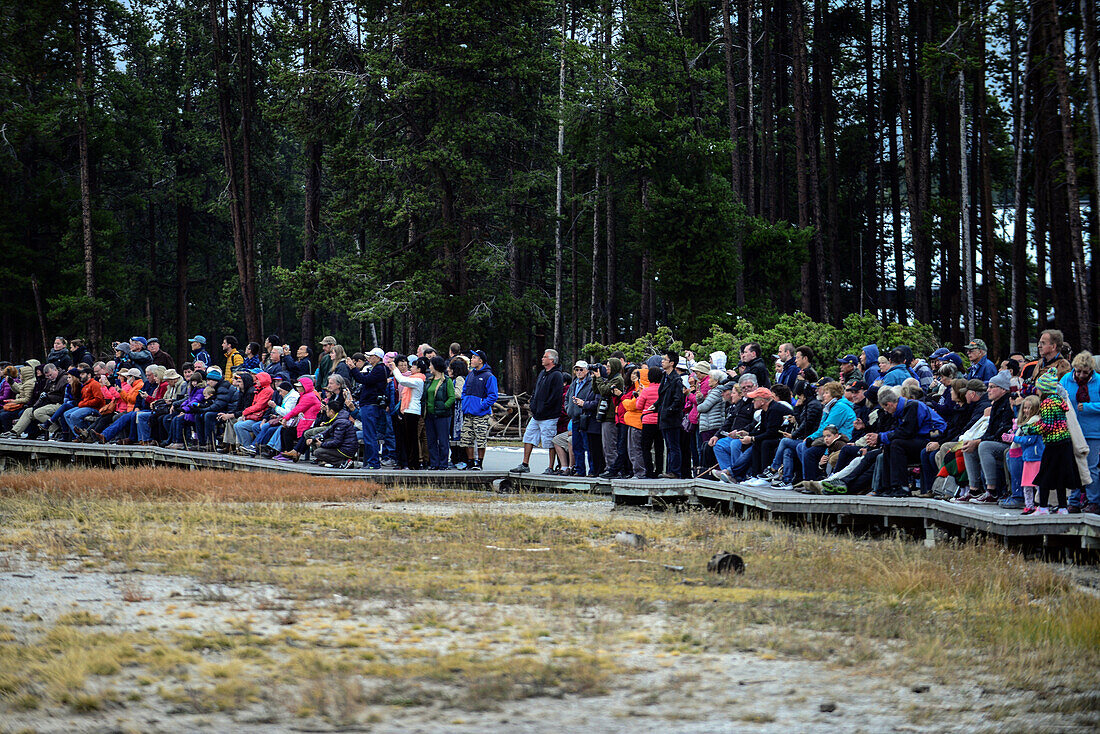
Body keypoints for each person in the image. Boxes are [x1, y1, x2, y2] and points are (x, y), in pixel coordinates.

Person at [868, 385, 945, 497]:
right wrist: (881, 438)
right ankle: (887, 487)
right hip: (918, 439)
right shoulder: (900, 410)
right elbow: (896, 431)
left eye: (885, 409)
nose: (886, 412)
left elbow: (907, 432)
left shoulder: (912, 406)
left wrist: (880, 437)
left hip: (931, 440)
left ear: (889, 404)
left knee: (896, 444)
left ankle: (901, 486)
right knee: (889, 445)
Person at [959, 370, 1015, 503]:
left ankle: (992, 491)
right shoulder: (995, 404)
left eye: (992, 387)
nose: (988, 390)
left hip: (1006, 442)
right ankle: (974, 490)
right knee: (968, 445)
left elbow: (1003, 430)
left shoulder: (1007, 404)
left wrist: (979, 441)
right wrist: (976, 441)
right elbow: (990, 430)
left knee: (984, 446)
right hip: (995, 439)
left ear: (1003, 390)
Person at [1031, 368, 1079, 514]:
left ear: (1044, 389)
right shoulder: (1059, 400)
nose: (1037, 391)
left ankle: (1043, 507)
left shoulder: (1047, 403)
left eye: (1038, 388)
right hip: (1065, 443)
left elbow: (1048, 426)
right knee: (1061, 475)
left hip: (1053, 444)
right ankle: (1063, 507)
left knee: (1045, 474)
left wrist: (1030, 428)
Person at [512, 349, 565, 473]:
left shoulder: (557, 375)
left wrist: (544, 408)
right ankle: (525, 464)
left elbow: (555, 396)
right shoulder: (542, 373)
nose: (542, 358)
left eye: (545, 356)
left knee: (549, 441)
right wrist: (533, 404)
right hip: (537, 415)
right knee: (528, 437)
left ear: (551, 360)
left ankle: (550, 467)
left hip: (549, 416)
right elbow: (536, 390)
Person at [1060, 351, 1100, 513]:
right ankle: (1074, 501)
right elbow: (1058, 399)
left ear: (1091, 370)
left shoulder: (1098, 382)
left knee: (1091, 468)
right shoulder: (1065, 380)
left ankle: (1094, 501)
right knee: (1073, 466)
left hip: (1093, 432)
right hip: (1071, 430)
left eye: (1085, 372)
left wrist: (1089, 407)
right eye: (1078, 371)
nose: (1081, 375)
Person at [347, 348, 388, 469]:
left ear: (378, 357)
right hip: (369, 405)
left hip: (370, 405)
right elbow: (363, 377)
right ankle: (371, 462)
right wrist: (353, 369)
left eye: (371, 356)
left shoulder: (379, 369)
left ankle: (373, 463)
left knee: (369, 435)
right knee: (369, 434)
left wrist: (353, 369)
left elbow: (364, 380)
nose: (369, 358)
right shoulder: (376, 369)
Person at [459, 350, 498, 471]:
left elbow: (493, 396)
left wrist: (481, 405)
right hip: (468, 413)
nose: (471, 359)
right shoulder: (470, 374)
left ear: (480, 361)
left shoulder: (489, 376)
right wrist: (465, 402)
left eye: (474, 357)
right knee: (467, 438)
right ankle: (470, 462)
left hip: (481, 414)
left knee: (481, 439)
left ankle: (479, 463)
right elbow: (464, 390)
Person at [389, 356, 427, 469]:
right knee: (408, 438)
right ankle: (411, 463)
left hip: (412, 411)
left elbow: (402, 380)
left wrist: (395, 368)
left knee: (412, 438)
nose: (411, 368)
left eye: (414, 366)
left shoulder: (418, 380)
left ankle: (414, 463)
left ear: (419, 369)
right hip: (408, 410)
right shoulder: (414, 378)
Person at [593, 357, 625, 478]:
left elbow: (604, 391)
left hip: (611, 416)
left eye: (609, 367)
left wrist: (599, 379)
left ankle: (613, 469)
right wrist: (595, 378)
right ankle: (610, 467)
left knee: (610, 444)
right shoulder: (610, 379)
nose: (607, 369)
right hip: (606, 416)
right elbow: (596, 389)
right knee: (606, 444)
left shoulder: (617, 379)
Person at [1012, 396, 1045, 514]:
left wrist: (1014, 438)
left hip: (1036, 457)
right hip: (1028, 457)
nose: (1026, 411)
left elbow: (1030, 440)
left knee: (1037, 484)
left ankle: (1040, 505)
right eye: (1024, 408)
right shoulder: (1025, 424)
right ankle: (1029, 505)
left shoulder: (1035, 422)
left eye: (1029, 408)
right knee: (1026, 484)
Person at [423, 356, 456, 470]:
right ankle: (434, 463)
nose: (429, 367)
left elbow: (452, 397)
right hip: (429, 414)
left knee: (443, 440)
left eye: (431, 364)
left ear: (436, 366)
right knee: (431, 441)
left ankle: (443, 463)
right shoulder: (429, 380)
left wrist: (444, 406)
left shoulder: (447, 381)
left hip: (442, 415)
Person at [309, 399, 358, 469]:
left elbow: (337, 442)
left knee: (318, 452)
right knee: (323, 441)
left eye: (327, 410)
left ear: (331, 411)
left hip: (346, 450)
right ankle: (338, 462)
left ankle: (343, 462)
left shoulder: (341, 422)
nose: (326, 411)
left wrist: (322, 444)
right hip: (344, 447)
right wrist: (313, 438)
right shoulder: (337, 419)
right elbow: (327, 432)